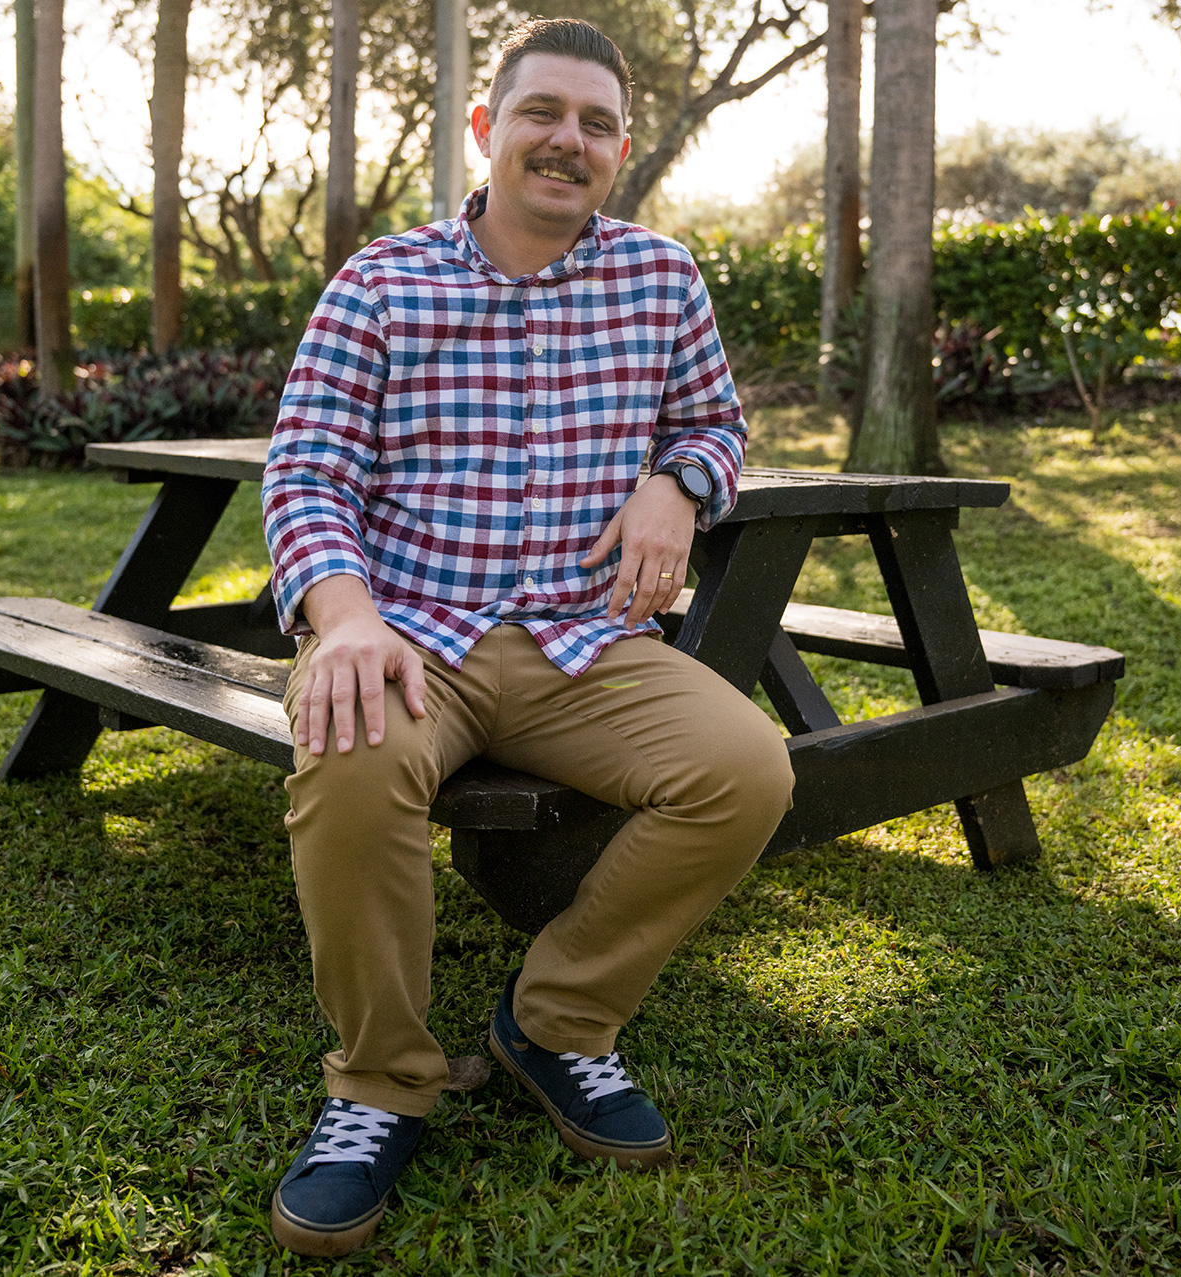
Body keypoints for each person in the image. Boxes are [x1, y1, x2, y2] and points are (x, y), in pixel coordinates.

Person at [261, 16, 794, 1258]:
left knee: (747, 767)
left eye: (597, 124)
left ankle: (554, 1019)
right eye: (543, 113)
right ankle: (381, 1080)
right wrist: (343, 617)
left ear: (621, 149)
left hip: (581, 640)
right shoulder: (381, 280)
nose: (569, 141)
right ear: (486, 127)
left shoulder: (662, 278)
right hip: (411, 631)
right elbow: (306, 471)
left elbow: (716, 426)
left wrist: (677, 484)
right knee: (352, 758)